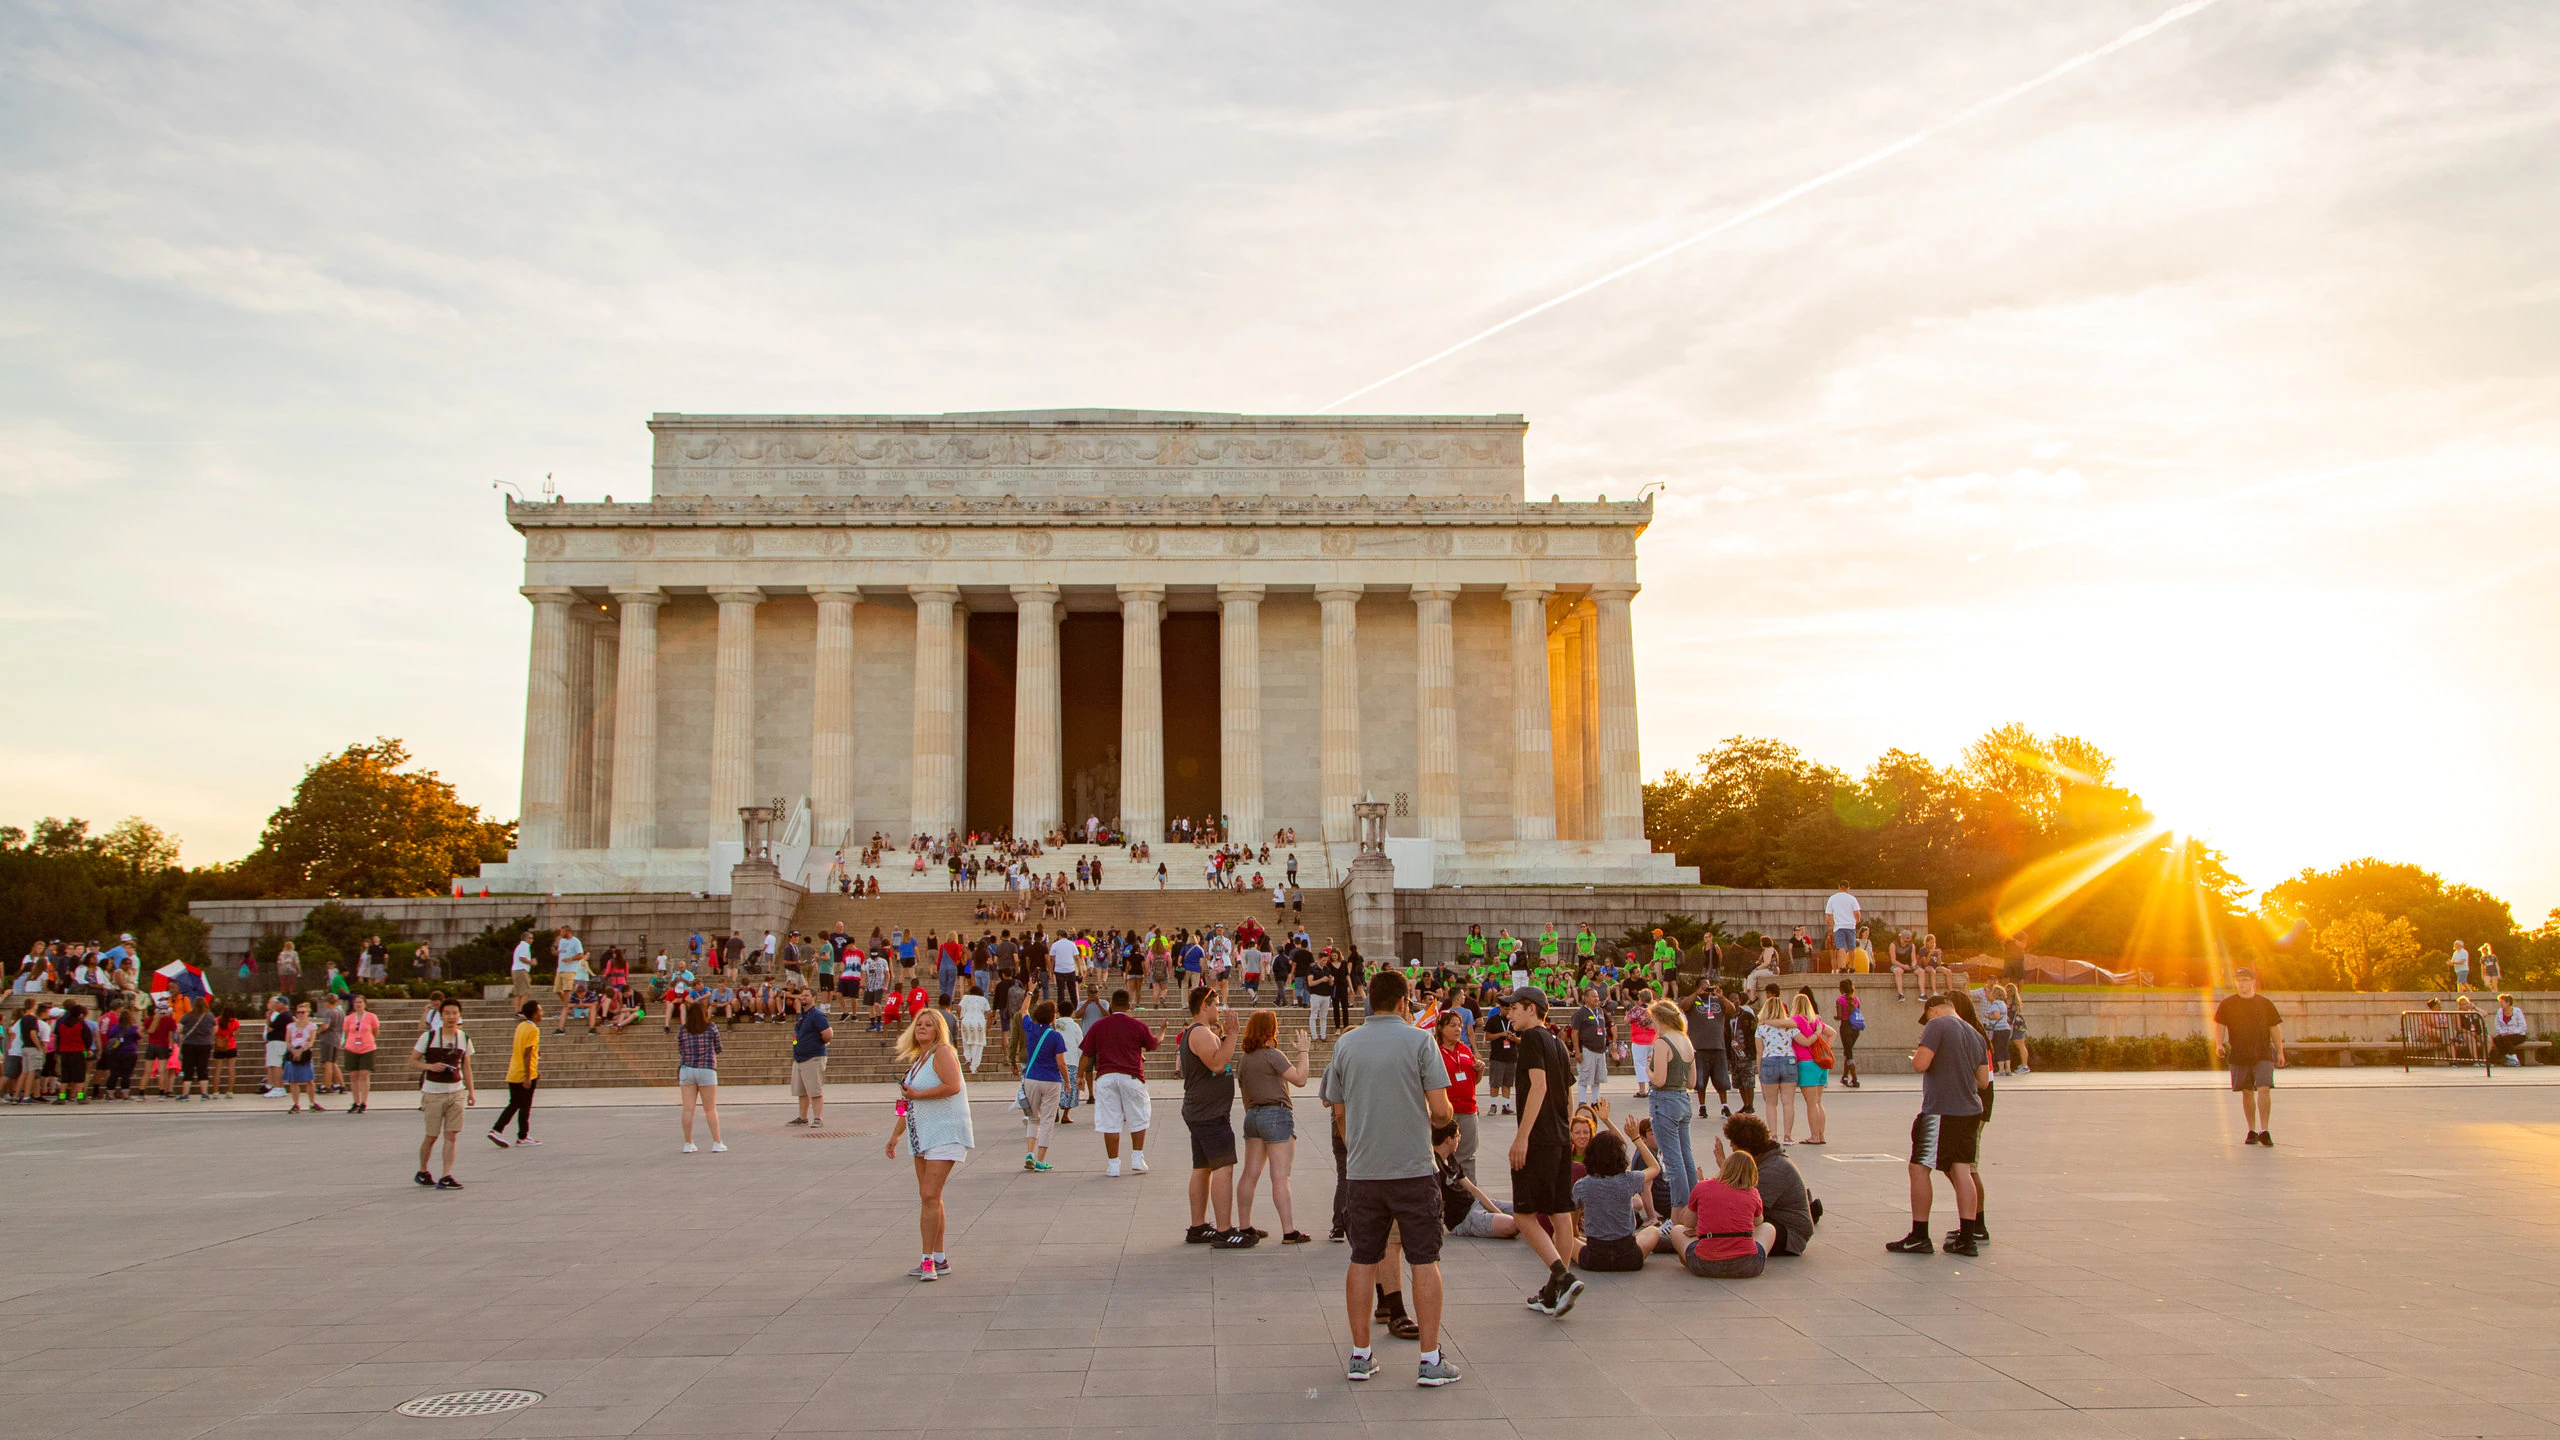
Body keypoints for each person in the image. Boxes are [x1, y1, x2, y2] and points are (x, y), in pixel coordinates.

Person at [1321, 968, 1458, 1387]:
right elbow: (1441, 1111)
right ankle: (1429, 1359)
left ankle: (1361, 1355)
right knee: (1424, 1259)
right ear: (1403, 1002)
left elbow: (1337, 1109)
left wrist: (1356, 1142)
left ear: (1369, 1002)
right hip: (1412, 1169)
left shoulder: (1346, 1044)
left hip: (1363, 1172)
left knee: (1363, 1258)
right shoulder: (1420, 1041)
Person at [1504, 986, 1585, 1318]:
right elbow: (1567, 1093)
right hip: (1559, 1138)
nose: (1509, 1014)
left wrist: (1521, 1138)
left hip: (1538, 1140)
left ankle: (1562, 1277)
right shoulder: (1557, 1042)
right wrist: (1564, 1130)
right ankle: (1554, 1292)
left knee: (1524, 1215)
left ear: (1531, 1009)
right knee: (1559, 1213)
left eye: (1514, 1009)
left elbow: (1539, 1087)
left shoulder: (1535, 1040)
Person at [1887, 994, 1989, 1255]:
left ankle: (1920, 1235)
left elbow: (1921, 1063)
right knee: (1961, 1170)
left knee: (1919, 1168)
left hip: (1941, 1110)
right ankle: (1967, 1237)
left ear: (1932, 1010)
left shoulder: (1937, 1025)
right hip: (1969, 1111)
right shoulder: (1975, 1034)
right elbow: (1983, 1081)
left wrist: (1915, 1056)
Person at [885, 1005, 974, 1280]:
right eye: (919, 1024)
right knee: (932, 1197)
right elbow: (907, 1102)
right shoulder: (918, 1060)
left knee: (928, 1195)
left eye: (928, 1024)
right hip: (920, 1134)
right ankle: (939, 1257)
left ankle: (927, 1262)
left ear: (939, 1029)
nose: (922, 1027)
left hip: (945, 1132)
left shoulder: (943, 1052)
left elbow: (953, 1086)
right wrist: (895, 1134)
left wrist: (917, 1096)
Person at [1177, 988, 1248, 1247]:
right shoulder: (1200, 1033)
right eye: (1216, 1004)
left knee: (1203, 1167)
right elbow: (1218, 1064)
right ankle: (1224, 1230)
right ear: (1204, 1005)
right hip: (1209, 1113)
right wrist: (1233, 1035)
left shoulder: (1198, 1033)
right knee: (1222, 1168)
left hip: (1203, 1110)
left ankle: (1198, 1226)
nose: (1219, 1009)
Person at [1236, 1009, 1314, 1244]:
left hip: (1253, 1115)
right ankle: (1289, 1231)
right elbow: (1300, 1079)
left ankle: (1244, 1226)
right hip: (1276, 1113)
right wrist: (1303, 1052)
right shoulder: (1273, 1055)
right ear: (1269, 1030)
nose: (1278, 1030)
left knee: (1250, 1173)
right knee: (1280, 1176)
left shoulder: (1244, 1059)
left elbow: (1244, 1094)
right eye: (1275, 1026)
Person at [1083, 988, 1159, 1177]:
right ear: (1128, 1005)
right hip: (1131, 1076)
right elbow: (1152, 1045)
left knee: (1110, 1121)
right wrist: (1162, 1033)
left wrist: (1078, 1076)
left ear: (1112, 1004)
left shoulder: (1099, 1026)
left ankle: (1113, 1164)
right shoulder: (1137, 1024)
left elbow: (1087, 1053)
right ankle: (1137, 1158)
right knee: (1138, 1117)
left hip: (1106, 1076)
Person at [1718, 1112, 1818, 1255]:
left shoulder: (1774, 1169)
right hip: (1773, 1220)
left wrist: (1724, 1167)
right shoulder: (1765, 1160)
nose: (1730, 1147)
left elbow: (1742, 1204)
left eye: (1733, 1146)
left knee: (1728, 1232)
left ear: (1746, 1150)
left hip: (1789, 1235)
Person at [1571, 1123, 1662, 1272]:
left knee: (1558, 1236)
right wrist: (1636, 1138)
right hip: (1629, 1257)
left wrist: (1581, 1238)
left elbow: (1572, 1228)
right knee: (1653, 1231)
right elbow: (1655, 1167)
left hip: (1594, 1258)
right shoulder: (1628, 1179)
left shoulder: (1582, 1185)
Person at [1667, 1149, 1767, 1279]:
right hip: (1747, 1265)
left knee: (1677, 1230)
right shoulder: (1753, 1193)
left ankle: (1692, 1257)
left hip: (1706, 1263)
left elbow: (1688, 1222)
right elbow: (1758, 1222)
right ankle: (1747, 1250)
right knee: (1768, 1228)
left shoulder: (1702, 1187)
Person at [2214, 968, 2285, 1146]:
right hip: (2239, 1053)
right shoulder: (2228, 1004)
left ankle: (2265, 1130)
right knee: (2246, 1091)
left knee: (2264, 1088)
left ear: (2253, 981)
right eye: (2239, 980)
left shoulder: (2264, 1003)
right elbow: (2220, 1024)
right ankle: (2252, 1130)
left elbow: (2274, 1028)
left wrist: (2280, 1051)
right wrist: (2219, 1044)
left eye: (2246, 979)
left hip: (2262, 1052)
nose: (2242, 983)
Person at [413, 1000, 476, 1190]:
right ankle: (423, 1170)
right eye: (447, 1013)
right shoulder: (429, 1037)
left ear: (459, 1016)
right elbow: (412, 1061)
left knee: (452, 1135)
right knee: (432, 1135)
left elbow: (466, 1066)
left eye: (454, 1013)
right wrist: (429, 1066)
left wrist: (471, 1091)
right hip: (433, 1092)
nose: (451, 1017)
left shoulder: (464, 1038)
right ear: (441, 1016)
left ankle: (446, 1174)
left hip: (456, 1091)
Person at [1644, 1000, 1699, 1201]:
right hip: (1683, 1099)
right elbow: (1692, 1082)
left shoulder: (1662, 1042)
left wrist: (1647, 1070)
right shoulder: (1686, 1041)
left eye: (1653, 1021)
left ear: (1660, 1019)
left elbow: (1659, 1079)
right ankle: (1695, 1203)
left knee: (1672, 1161)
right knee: (1686, 1157)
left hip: (1664, 1101)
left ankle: (1679, 1209)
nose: (1652, 1026)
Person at [1431, 1010, 1481, 1181]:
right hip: (1447, 1111)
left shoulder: (1465, 1049)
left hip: (1468, 1110)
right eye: (1452, 1025)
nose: (1458, 1029)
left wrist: (1479, 1071)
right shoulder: (1435, 1052)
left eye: (1459, 1026)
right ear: (1441, 1028)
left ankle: (1469, 1195)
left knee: (1468, 1155)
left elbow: (1473, 1080)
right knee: (1442, 1155)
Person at [1019, 1000, 1069, 1171]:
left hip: (1032, 1078)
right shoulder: (1056, 1036)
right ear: (1052, 1017)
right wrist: (1067, 1082)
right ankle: (1040, 1160)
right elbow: (1061, 1063)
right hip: (1051, 1080)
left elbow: (1023, 1010)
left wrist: (1030, 991)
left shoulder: (1030, 1028)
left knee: (1033, 1118)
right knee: (1047, 1120)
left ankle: (1029, 1153)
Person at [488, 1001, 542, 1147]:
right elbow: (528, 1053)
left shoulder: (521, 1026)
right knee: (521, 1105)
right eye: (540, 1010)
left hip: (514, 1070)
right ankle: (498, 1129)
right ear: (534, 1013)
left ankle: (523, 1135)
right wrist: (528, 1076)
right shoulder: (533, 1030)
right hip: (524, 1073)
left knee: (518, 1104)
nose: (542, 1013)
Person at [675, 1000, 725, 1154]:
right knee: (710, 1108)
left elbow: (680, 1049)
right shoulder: (711, 1028)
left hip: (687, 1068)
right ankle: (717, 1142)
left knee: (688, 1109)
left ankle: (688, 1143)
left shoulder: (683, 1030)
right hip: (706, 1068)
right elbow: (718, 1047)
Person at [1788, 993, 1834, 1144]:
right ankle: (1821, 1135)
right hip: (1820, 1063)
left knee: (1811, 1103)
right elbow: (1832, 1033)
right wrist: (1823, 1049)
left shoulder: (1795, 1020)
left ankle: (1814, 1136)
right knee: (1818, 1101)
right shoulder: (1815, 1021)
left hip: (1806, 1063)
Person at [789, 995, 832, 1130]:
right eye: (802, 995)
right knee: (801, 1091)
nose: (803, 997)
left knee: (815, 1090)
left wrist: (816, 1044)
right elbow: (797, 1034)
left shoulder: (817, 1015)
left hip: (813, 1057)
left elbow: (828, 1034)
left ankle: (818, 1118)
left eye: (806, 995)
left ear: (814, 997)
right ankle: (803, 1117)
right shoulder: (802, 1016)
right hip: (799, 1057)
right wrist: (796, 1044)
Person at [1567, 985, 1610, 1104]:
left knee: (1597, 1078)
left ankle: (1595, 1101)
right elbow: (1574, 1033)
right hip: (1587, 1049)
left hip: (1600, 1050)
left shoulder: (1600, 1011)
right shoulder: (1580, 1013)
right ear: (1586, 998)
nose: (1597, 998)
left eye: (1597, 996)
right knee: (1585, 1077)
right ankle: (1582, 1101)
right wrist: (1577, 1052)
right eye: (1593, 996)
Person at [338, 993, 378, 1113]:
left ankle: (364, 1102)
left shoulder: (371, 1017)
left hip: (367, 1047)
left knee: (364, 1074)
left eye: (360, 1002)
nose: (358, 1004)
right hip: (352, 1047)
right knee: (353, 1075)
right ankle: (356, 1101)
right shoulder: (349, 1018)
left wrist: (368, 1040)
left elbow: (375, 1031)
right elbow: (346, 1033)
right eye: (356, 1002)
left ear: (365, 1004)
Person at [280, 1000, 319, 1113]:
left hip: (304, 1051)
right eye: (298, 1012)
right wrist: (292, 1050)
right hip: (293, 1050)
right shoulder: (291, 1026)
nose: (300, 1015)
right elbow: (287, 1040)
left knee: (309, 1080)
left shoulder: (311, 1026)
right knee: (293, 1080)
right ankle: (296, 1103)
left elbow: (311, 1041)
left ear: (307, 1013)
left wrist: (302, 1050)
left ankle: (312, 1102)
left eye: (303, 1012)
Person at [1833, 980, 1864, 1088]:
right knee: (1847, 1052)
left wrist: (1835, 1017)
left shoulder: (1839, 1000)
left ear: (1841, 989)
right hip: (1855, 1029)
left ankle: (1855, 1079)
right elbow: (1857, 1013)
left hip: (1845, 1027)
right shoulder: (1856, 999)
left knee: (1849, 1053)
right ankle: (1845, 1077)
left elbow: (1840, 1016)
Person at [955, 978, 990, 1072]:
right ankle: (974, 1066)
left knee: (966, 1040)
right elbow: (989, 1014)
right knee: (978, 1043)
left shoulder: (966, 997)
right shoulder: (983, 1000)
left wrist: (961, 1017)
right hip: (979, 1021)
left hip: (966, 1020)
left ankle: (968, 1058)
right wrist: (989, 1027)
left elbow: (958, 1007)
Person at [1825, 885, 1861, 971]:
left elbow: (1828, 915)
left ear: (1839, 886)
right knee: (1851, 947)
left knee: (1841, 947)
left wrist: (1832, 925)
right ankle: (1852, 966)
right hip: (1850, 926)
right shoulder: (1852, 898)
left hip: (1839, 926)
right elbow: (1857, 913)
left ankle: (1842, 966)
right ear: (1848, 887)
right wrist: (1856, 921)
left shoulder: (1832, 898)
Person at [2490, 994, 2530, 1066]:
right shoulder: (2500, 1011)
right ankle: (2508, 1058)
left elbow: (2523, 1026)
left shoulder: (2517, 1011)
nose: (2500, 1004)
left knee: (2506, 1039)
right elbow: (2497, 1024)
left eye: (2502, 1002)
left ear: (2508, 1003)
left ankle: (2515, 1059)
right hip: (2505, 1034)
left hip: (2519, 1035)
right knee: (2497, 1039)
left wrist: (2512, 1032)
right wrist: (2502, 1032)